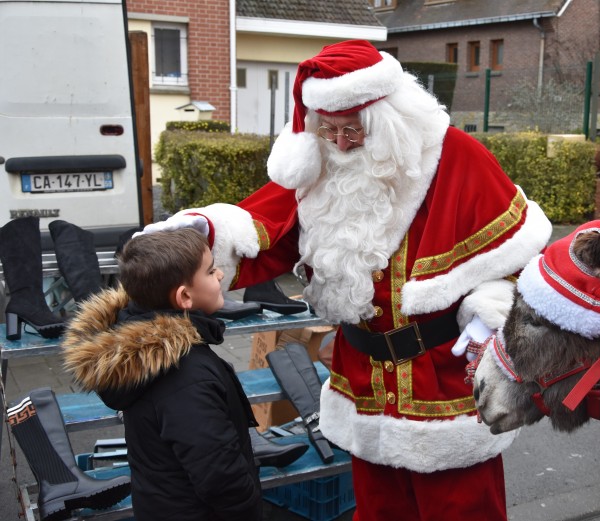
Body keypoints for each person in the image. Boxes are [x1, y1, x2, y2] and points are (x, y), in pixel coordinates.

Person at [137, 40, 552, 520]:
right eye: (327, 130)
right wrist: (201, 235)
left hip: (442, 381)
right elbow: (264, 227)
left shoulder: (456, 156)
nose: (339, 143)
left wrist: (489, 313)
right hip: (363, 385)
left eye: (351, 129)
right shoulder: (324, 164)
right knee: (376, 512)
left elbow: (516, 255)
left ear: (386, 116)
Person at [62, 228, 263, 521]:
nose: (220, 276)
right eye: (210, 271)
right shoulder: (187, 378)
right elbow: (220, 476)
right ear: (184, 297)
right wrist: (249, 510)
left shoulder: (148, 356)